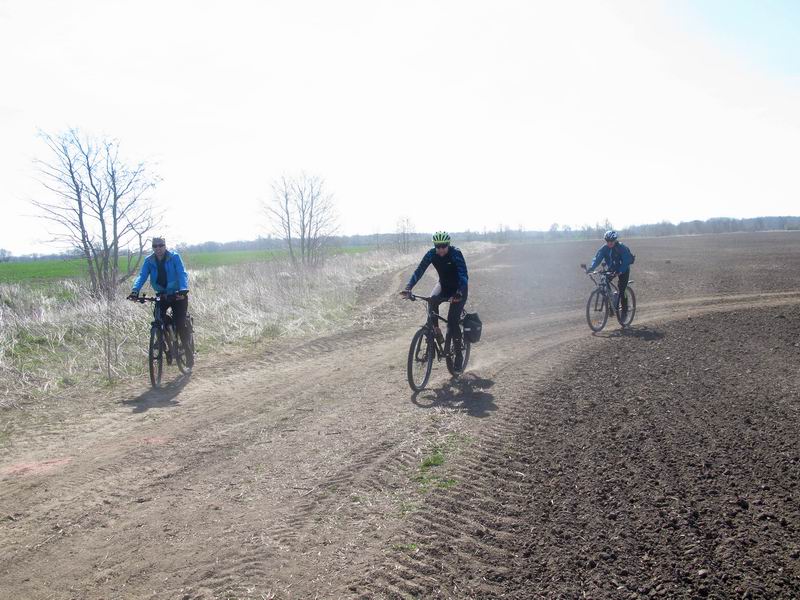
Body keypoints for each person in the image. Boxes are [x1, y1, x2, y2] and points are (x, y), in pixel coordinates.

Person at [401, 231, 469, 371]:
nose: (440, 249)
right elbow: (419, 270)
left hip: (458, 289)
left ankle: (458, 356)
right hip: (443, 286)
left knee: (452, 321)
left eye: (443, 246)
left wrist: (459, 293)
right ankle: (436, 331)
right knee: (431, 301)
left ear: (448, 245)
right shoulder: (431, 254)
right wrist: (408, 288)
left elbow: (463, 275)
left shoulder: (455, 253)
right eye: (437, 246)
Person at [128, 236, 193, 368]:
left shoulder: (174, 257)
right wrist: (135, 291)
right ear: (153, 248)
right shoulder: (149, 260)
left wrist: (183, 289)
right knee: (158, 317)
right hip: (162, 295)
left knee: (180, 323)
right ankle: (164, 340)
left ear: (165, 245)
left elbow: (182, 273)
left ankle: (187, 350)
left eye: (160, 245)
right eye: (155, 246)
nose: (158, 248)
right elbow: (142, 276)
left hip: (177, 294)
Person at [585, 230, 634, 319]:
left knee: (622, 289)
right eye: (607, 241)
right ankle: (611, 304)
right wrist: (591, 268)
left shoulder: (621, 247)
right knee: (605, 281)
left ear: (615, 240)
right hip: (612, 269)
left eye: (611, 241)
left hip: (623, 269)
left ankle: (624, 311)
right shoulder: (605, 248)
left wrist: (620, 270)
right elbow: (597, 258)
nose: (609, 243)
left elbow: (627, 260)